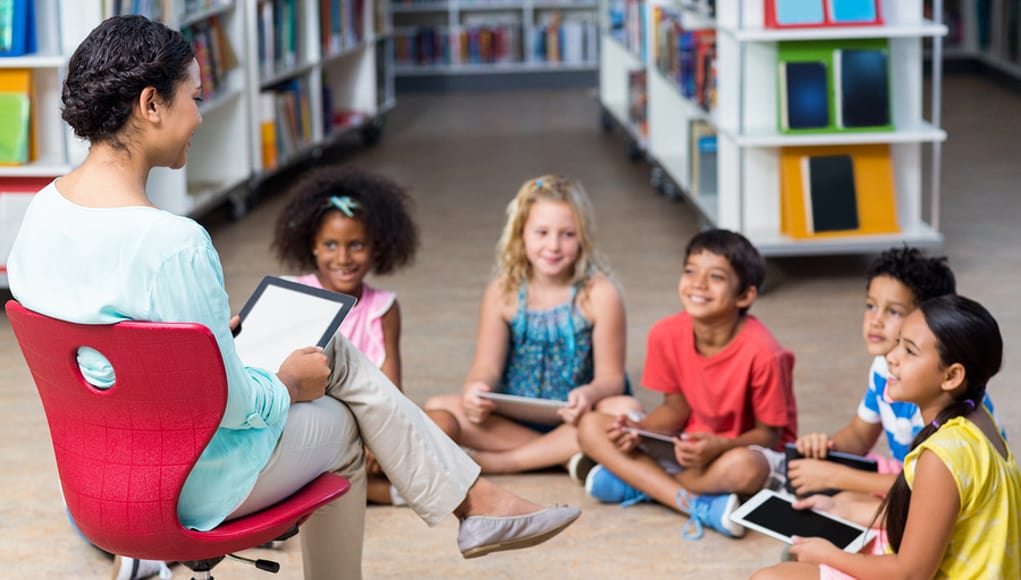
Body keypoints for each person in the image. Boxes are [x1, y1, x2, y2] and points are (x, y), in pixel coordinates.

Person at [5, 15, 579, 580]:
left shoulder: (41, 216)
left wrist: (199, 349)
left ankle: (473, 503)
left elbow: (105, 359)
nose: (199, 117)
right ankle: (469, 504)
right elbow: (226, 408)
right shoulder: (173, 243)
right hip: (185, 480)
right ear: (151, 104)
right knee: (344, 417)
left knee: (331, 357)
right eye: (193, 98)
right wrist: (284, 386)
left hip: (97, 475)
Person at [753, 295, 1021, 579]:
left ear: (952, 376)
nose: (891, 357)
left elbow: (909, 574)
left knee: (769, 578)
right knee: (839, 513)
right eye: (898, 343)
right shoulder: (978, 423)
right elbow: (931, 520)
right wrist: (839, 509)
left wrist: (828, 555)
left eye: (910, 351)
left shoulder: (942, 456)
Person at [576, 229, 797, 540]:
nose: (698, 284)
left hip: (743, 450)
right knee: (590, 426)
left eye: (716, 277)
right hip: (688, 448)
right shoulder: (665, 333)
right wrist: (638, 433)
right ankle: (698, 504)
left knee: (743, 467)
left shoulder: (765, 353)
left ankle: (640, 483)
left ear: (745, 295)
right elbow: (675, 408)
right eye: (690, 271)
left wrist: (720, 445)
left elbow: (770, 436)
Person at [423, 175, 641, 475]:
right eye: (541, 232)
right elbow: (486, 367)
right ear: (520, 234)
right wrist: (477, 389)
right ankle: (566, 454)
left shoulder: (601, 294)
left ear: (583, 237)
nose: (553, 245)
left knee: (625, 410)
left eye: (567, 234)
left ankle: (501, 462)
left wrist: (590, 393)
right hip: (514, 415)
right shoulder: (502, 292)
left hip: (579, 415)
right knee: (440, 408)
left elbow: (612, 377)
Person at [787, 247, 1001, 498]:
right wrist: (825, 449)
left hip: (936, 492)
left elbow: (928, 485)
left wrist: (834, 475)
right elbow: (859, 434)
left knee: (841, 502)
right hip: (910, 476)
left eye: (894, 311)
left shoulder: (943, 397)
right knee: (819, 492)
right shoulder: (883, 367)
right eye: (871, 306)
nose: (876, 320)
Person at [272, 165, 420, 506]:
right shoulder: (294, 293)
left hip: (367, 428)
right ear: (313, 245)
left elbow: (391, 389)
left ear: (376, 247)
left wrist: (378, 441)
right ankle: (386, 492)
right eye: (330, 245)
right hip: (307, 425)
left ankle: (317, 493)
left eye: (356, 245)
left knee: (440, 422)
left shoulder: (384, 308)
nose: (343, 258)